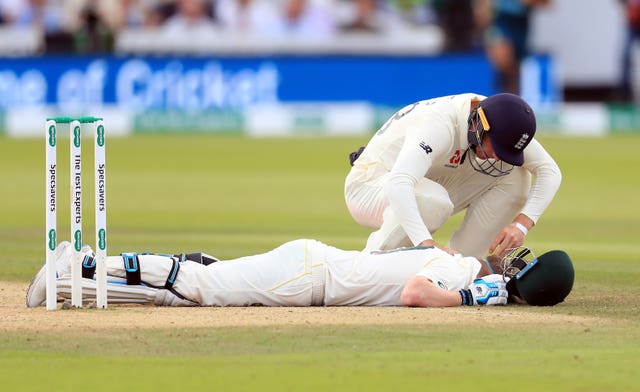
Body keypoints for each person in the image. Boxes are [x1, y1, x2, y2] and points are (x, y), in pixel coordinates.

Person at [26, 238, 573, 308]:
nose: (503, 261)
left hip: (311, 268)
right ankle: (77, 268)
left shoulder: (454, 260)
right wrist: (475, 299)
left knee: (200, 282)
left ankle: (80, 288)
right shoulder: (457, 273)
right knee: (200, 289)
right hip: (310, 279)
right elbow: (413, 294)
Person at [344, 92, 561, 259]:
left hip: (430, 178)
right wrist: (425, 244)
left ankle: (462, 266)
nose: (496, 157)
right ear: (480, 125)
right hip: (371, 184)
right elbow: (399, 183)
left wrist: (522, 225)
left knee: (515, 178)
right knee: (434, 200)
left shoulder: (503, 122)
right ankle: (370, 262)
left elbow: (550, 171)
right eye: (496, 147)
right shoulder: (440, 123)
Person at [474, 0, 550, 94]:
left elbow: (547, 4)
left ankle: (512, 99)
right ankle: (499, 94)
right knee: (503, 60)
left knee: (515, 67)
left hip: (520, 23)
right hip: (498, 21)